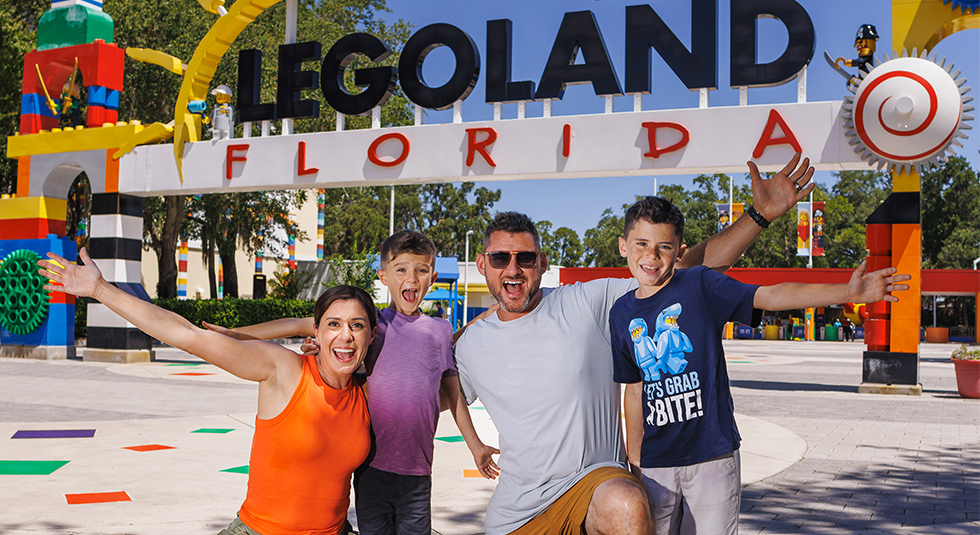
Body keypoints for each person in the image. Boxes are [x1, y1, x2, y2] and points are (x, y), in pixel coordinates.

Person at [453, 154, 820, 535]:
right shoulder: (469, 345)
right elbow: (431, 390)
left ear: (542, 263)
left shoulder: (584, 304)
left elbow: (678, 271)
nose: (513, 269)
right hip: (517, 512)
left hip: (593, 487)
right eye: (500, 258)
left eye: (525, 258)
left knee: (626, 504)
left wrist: (757, 216)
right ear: (482, 264)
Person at [610, 196, 910, 535]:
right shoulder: (620, 313)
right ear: (623, 246)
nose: (651, 256)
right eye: (641, 244)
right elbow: (633, 391)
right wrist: (634, 461)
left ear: (680, 252)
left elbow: (770, 296)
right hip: (655, 465)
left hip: (712, 456)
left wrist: (846, 292)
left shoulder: (700, 285)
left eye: (664, 246)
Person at [39, 248, 377, 535]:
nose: (345, 335)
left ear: (371, 335)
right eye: (333, 324)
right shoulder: (283, 369)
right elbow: (187, 335)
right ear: (316, 331)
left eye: (356, 326)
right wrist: (100, 290)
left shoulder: (368, 389)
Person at [205, 230, 497, 535]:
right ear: (384, 276)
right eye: (401, 270)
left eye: (421, 270)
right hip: (371, 468)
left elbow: (451, 389)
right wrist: (234, 334)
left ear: (432, 276)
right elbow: (296, 325)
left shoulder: (438, 330)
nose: (411, 278)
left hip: (418, 472)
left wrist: (475, 446)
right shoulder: (371, 324)